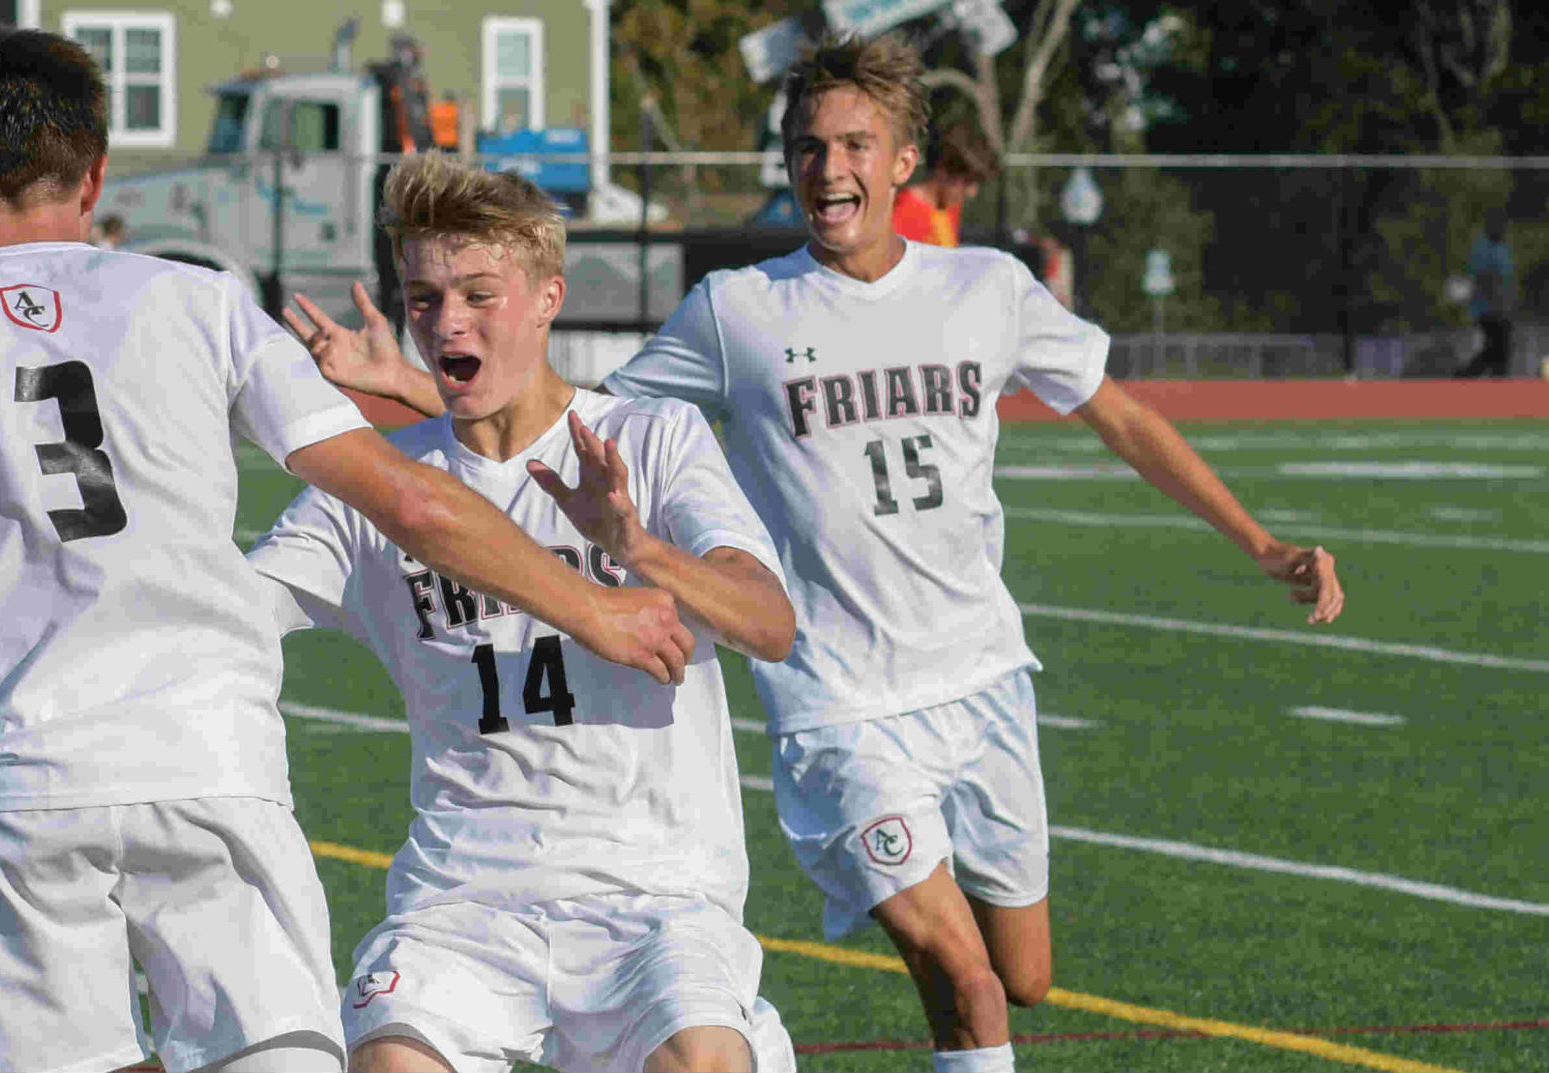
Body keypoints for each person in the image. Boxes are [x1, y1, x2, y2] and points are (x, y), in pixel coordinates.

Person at [0, 29, 692, 1073]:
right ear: (96, 173)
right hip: (208, 763)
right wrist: (593, 606)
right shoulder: (199, 303)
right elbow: (411, 501)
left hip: (17, 788)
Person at [302, 34, 1346, 1073]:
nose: (826, 167)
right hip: (835, 696)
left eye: (854, 142)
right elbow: (567, 407)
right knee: (972, 985)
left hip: (982, 674)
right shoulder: (738, 313)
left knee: (1019, 971)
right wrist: (415, 388)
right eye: (805, 145)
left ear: (904, 160)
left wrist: (1258, 540)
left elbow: (1118, 416)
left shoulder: (987, 287)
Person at [262, 156, 798, 1073]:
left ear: (550, 297)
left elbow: (770, 623)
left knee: (701, 1059)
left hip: (653, 890)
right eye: (425, 298)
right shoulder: (386, 486)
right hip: (463, 900)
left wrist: (640, 550)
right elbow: (237, 607)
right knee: (390, 1062)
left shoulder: (649, 439)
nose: (448, 322)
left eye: (480, 293)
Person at [891, 122, 995, 249]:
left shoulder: (949, 207)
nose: (972, 193)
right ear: (943, 171)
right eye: (967, 182)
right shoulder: (901, 214)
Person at [1455, 209, 1515, 379]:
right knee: (1497, 351)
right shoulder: (1482, 248)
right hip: (1488, 309)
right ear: (1490, 226)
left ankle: (1464, 377)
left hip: (1502, 307)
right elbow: (1485, 281)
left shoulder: (1502, 248)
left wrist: (1509, 304)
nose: (1503, 229)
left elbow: (1507, 279)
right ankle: (1463, 377)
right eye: (1500, 226)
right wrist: (1497, 308)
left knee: (1497, 352)